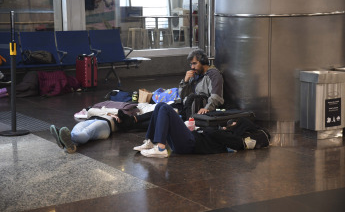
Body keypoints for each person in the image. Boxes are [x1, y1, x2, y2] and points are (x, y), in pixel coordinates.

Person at [117, 48, 225, 130]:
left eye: (195, 63)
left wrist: (207, 108)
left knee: (165, 117)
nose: (192, 67)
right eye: (191, 64)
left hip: (197, 107)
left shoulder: (213, 74)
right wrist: (186, 81)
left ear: (203, 62)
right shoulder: (196, 75)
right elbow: (182, 94)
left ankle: (130, 123)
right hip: (187, 104)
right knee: (161, 108)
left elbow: (216, 95)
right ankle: (132, 121)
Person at [134, 102, 269, 158]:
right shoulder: (226, 132)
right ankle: (151, 140)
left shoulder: (233, 137)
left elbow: (212, 134)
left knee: (165, 109)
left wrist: (218, 129)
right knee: (160, 106)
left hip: (190, 144)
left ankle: (161, 148)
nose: (232, 123)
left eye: (235, 123)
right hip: (189, 140)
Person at [49, 108, 120, 154]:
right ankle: (71, 145)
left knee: (87, 131)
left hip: (106, 124)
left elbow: (120, 115)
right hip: (91, 119)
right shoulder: (103, 108)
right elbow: (91, 111)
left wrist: (117, 115)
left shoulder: (121, 112)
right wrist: (109, 113)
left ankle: (64, 140)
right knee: (78, 128)